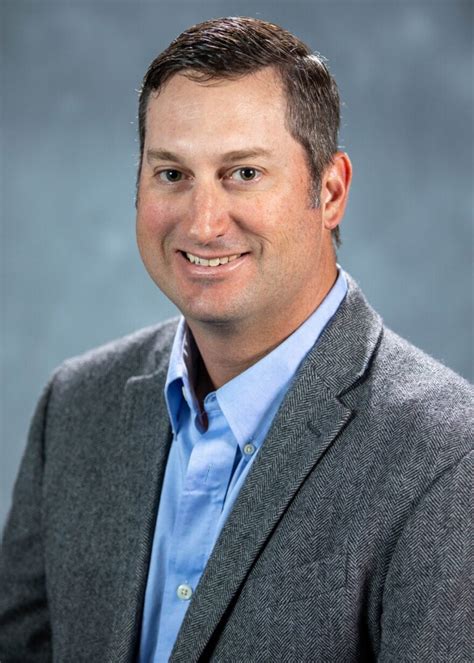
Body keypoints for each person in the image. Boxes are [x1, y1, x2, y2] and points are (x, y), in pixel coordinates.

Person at [0, 16, 471, 663]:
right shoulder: (77, 406)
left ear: (331, 190)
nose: (203, 223)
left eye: (243, 173)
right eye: (172, 174)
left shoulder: (447, 456)